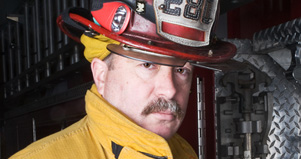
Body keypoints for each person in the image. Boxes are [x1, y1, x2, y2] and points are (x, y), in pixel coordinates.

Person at [10, 0, 236, 158]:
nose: (170, 91)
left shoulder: (183, 153)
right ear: (101, 75)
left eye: (181, 70)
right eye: (147, 65)